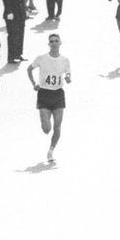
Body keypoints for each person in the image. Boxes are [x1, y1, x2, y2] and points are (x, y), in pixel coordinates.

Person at [27, 34, 71, 164]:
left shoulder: (65, 60)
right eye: (51, 41)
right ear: (48, 44)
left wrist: (68, 78)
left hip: (58, 94)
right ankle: (45, 123)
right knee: (47, 129)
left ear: (60, 43)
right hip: (44, 94)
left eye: (56, 41)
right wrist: (34, 83)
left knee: (57, 125)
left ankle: (51, 151)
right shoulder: (41, 58)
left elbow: (68, 74)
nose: (54, 43)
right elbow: (29, 69)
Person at [2, 0, 28, 64]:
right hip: (12, 14)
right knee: (12, 35)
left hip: (20, 13)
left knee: (20, 34)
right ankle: (11, 56)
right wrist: (9, 12)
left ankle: (18, 53)